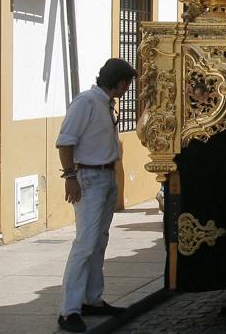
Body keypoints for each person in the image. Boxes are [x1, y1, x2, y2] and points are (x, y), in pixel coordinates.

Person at [56, 58, 137, 333]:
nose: (127, 89)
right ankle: (68, 310)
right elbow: (65, 141)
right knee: (85, 243)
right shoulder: (86, 102)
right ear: (121, 83)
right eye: (127, 84)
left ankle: (92, 298)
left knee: (99, 241)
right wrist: (70, 177)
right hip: (89, 178)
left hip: (106, 175)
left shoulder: (105, 104)